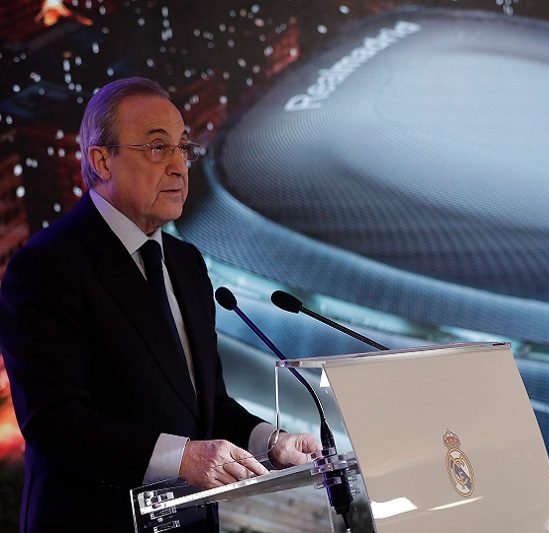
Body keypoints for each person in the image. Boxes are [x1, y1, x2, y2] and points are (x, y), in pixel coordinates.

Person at [0, 77, 322, 532]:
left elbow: (208, 406)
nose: (178, 166)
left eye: (183, 148)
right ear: (101, 160)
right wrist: (182, 458)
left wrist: (271, 441)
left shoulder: (186, 263)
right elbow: (54, 422)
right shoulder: (46, 266)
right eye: (157, 148)